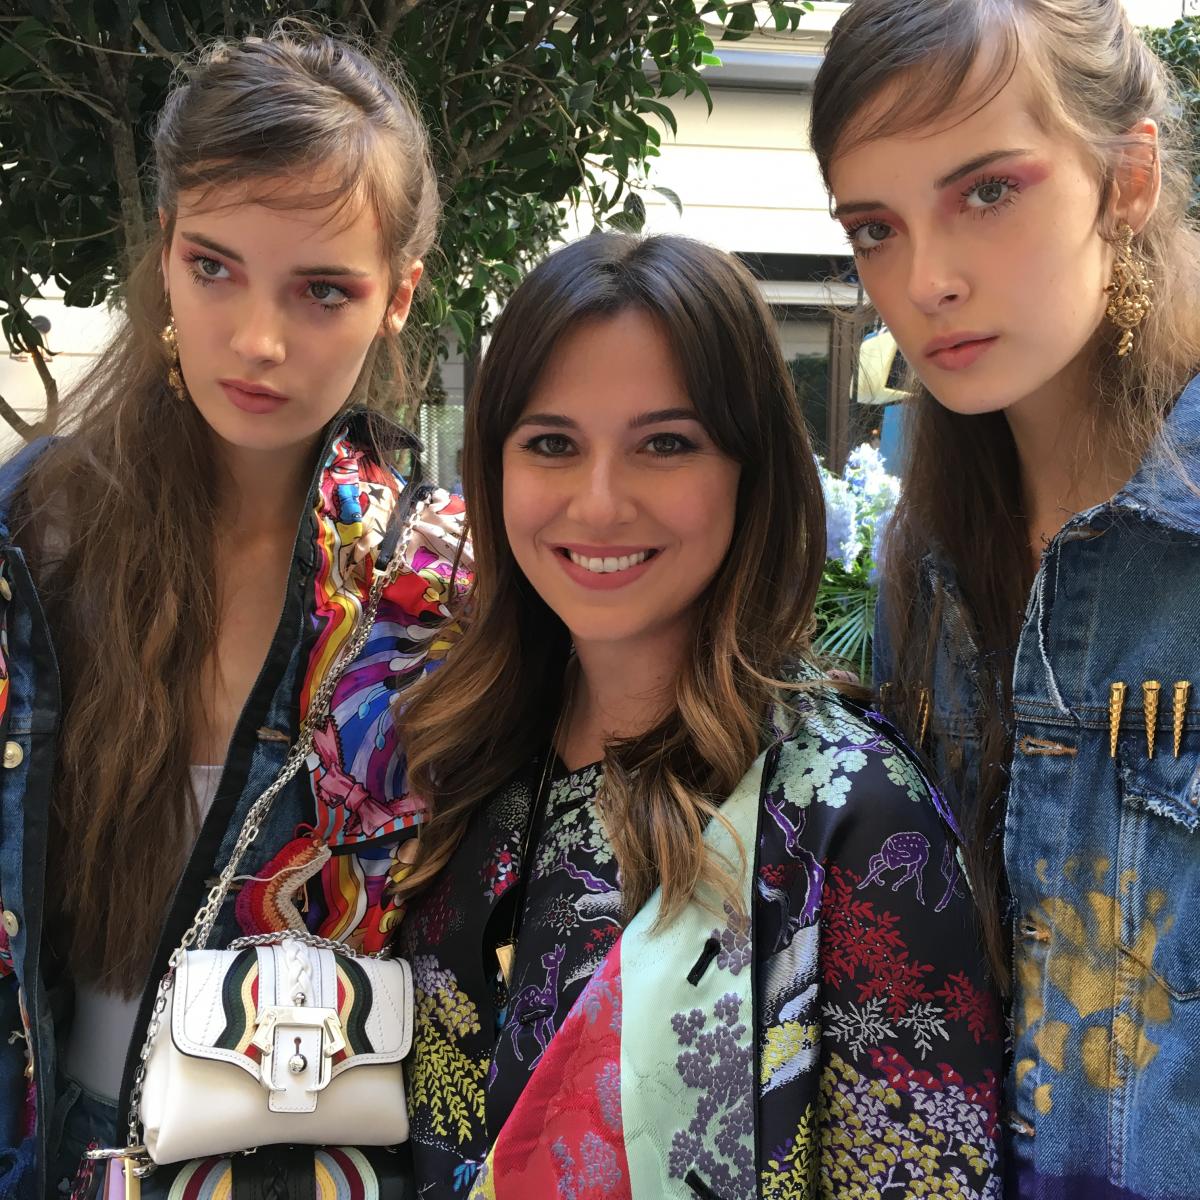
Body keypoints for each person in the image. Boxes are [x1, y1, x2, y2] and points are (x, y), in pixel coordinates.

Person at [394, 233, 1002, 1199]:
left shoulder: (849, 817)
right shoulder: (452, 755)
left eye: (664, 445)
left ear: (750, 470)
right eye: (551, 443)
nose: (598, 503)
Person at [0, 24, 464, 1199]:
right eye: (215, 266)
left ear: (398, 297)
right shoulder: (36, 536)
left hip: (285, 1163)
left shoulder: (427, 589)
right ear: (165, 253)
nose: (258, 341)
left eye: (322, 291)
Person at [810, 2, 1200, 1197]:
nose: (924, 280)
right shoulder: (926, 557)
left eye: (987, 192)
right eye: (874, 227)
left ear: (1123, 179)